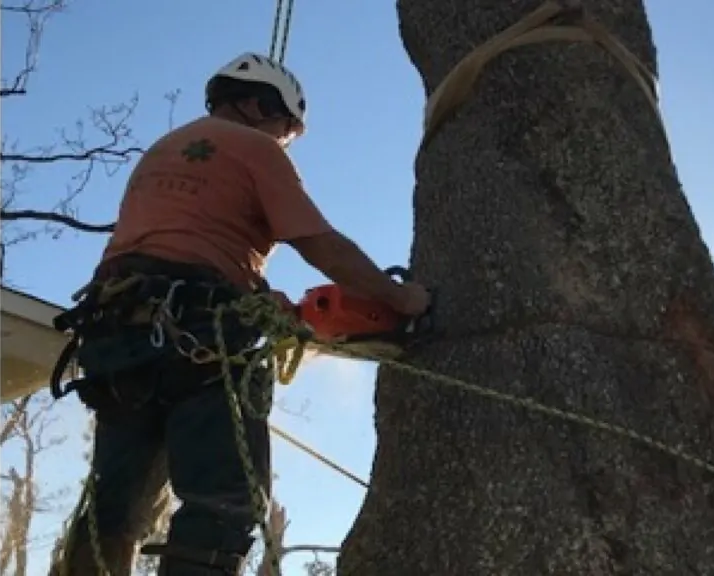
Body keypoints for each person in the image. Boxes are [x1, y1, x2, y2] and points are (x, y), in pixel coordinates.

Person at [50, 52, 430, 576]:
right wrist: (399, 298)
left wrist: (255, 293)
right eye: (284, 130)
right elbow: (318, 243)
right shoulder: (255, 146)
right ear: (257, 106)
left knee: (113, 511)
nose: (283, 141)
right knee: (223, 503)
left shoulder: (164, 149)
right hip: (199, 330)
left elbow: (185, 242)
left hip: (115, 333)